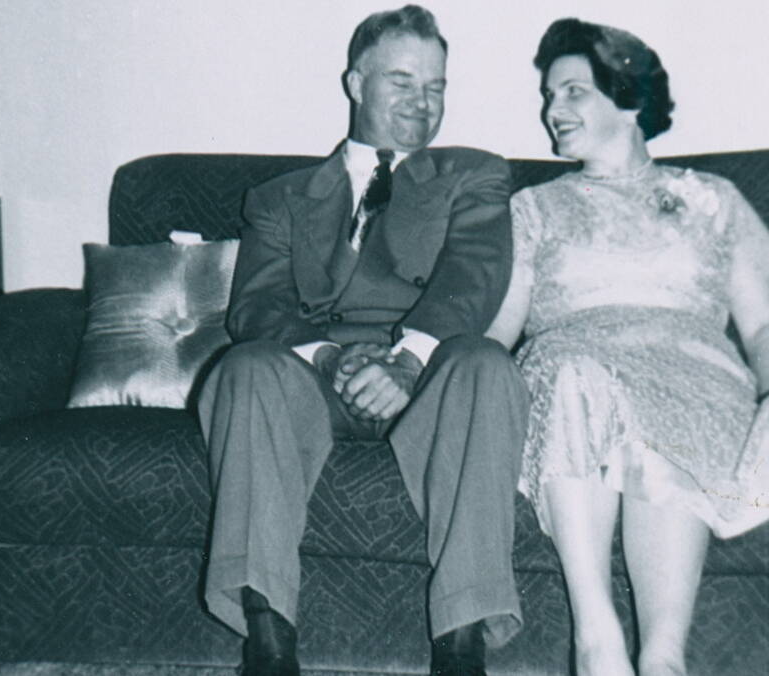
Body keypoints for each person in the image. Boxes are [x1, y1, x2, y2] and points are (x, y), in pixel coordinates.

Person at [486, 18, 769, 676]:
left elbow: (764, 327)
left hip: (692, 375)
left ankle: (663, 657)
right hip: (570, 376)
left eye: (573, 91)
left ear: (629, 97)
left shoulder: (712, 199)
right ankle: (598, 640)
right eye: (548, 96)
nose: (552, 110)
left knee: (666, 408)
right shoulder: (533, 208)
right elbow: (500, 328)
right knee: (580, 375)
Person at [197, 6, 528, 675]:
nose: (422, 102)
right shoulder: (280, 197)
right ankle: (267, 643)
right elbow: (258, 304)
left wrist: (406, 360)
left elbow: (471, 278)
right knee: (246, 365)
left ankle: (460, 650)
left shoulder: (474, 175)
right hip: (312, 378)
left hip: (430, 378)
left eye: (435, 86)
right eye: (402, 82)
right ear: (355, 83)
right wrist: (330, 355)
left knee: (485, 363)